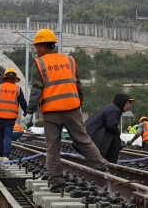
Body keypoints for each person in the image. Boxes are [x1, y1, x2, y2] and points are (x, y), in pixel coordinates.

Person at [25, 28, 109, 193]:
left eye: (36, 47)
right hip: (72, 109)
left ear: (42, 47)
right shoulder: (69, 60)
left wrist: (29, 112)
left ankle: (56, 183)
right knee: (83, 141)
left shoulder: (39, 63)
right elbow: (78, 86)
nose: (36, 50)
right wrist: (79, 104)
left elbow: (36, 90)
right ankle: (103, 168)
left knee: (53, 148)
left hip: (51, 113)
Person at [0, 68, 28, 158]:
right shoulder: (18, 89)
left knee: (0, 135)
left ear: (5, 78)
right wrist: (26, 111)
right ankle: (6, 156)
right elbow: (22, 102)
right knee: (8, 136)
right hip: (11, 117)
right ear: (14, 79)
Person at [79, 94, 135, 163]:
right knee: (115, 139)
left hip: (88, 135)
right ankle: (109, 163)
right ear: (122, 102)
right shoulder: (114, 110)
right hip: (92, 136)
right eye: (127, 103)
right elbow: (111, 126)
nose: (129, 105)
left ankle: (104, 160)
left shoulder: (112, 108)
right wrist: (118, 134)